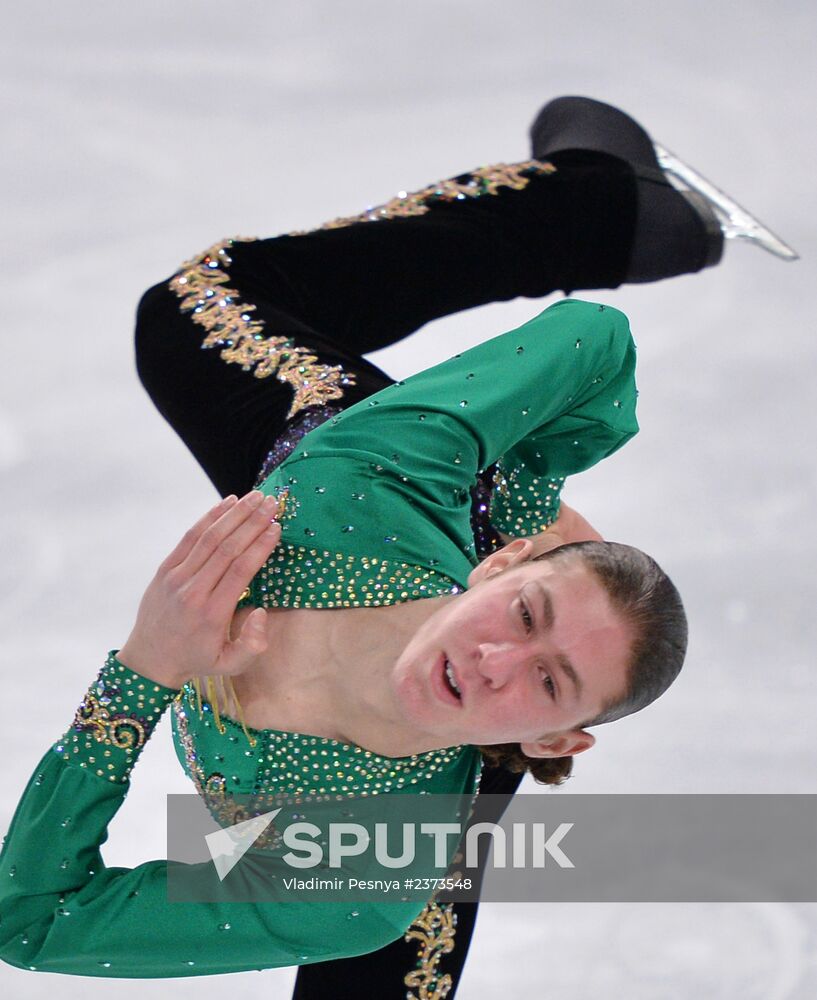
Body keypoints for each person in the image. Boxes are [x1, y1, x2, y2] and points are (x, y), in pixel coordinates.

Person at [0, 97, 796, 995]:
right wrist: (509, 503)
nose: (496, 661)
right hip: (341, 505)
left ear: (557, 741)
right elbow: (594, 344)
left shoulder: (374, 870)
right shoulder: (363, 484)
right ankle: (601, 208)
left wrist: (144, 671)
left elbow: (33, 917)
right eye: (523, 615)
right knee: (188, 314)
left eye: (546, 680)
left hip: (391, 820)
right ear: (496, 572)